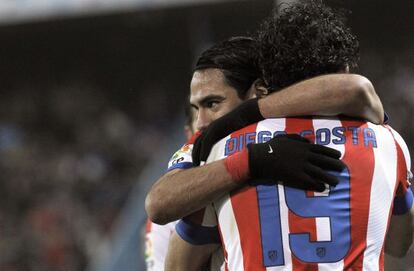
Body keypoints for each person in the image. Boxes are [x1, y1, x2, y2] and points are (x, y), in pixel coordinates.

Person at [158, 1, 413, 270]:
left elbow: (176, 263)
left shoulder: (220, 148)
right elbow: (399, 243)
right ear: (345, 69)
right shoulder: (389, 142)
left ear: (269, 78)